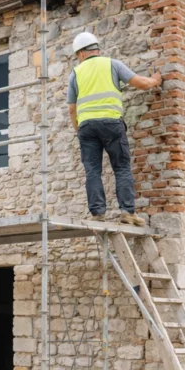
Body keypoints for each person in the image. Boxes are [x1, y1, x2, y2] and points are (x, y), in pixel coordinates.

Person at [67, 31, 163, 226]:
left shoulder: (75, 73)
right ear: (96, 50)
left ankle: (97, 214)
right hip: (111, 123)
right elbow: (141, 83)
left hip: (86, 126)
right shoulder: (113, 64)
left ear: (81, 54)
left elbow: (71, 109)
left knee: (92, 170)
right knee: (121, 167)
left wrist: (79, 132)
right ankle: (127, 212)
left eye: (78, 56)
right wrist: (155, 80)